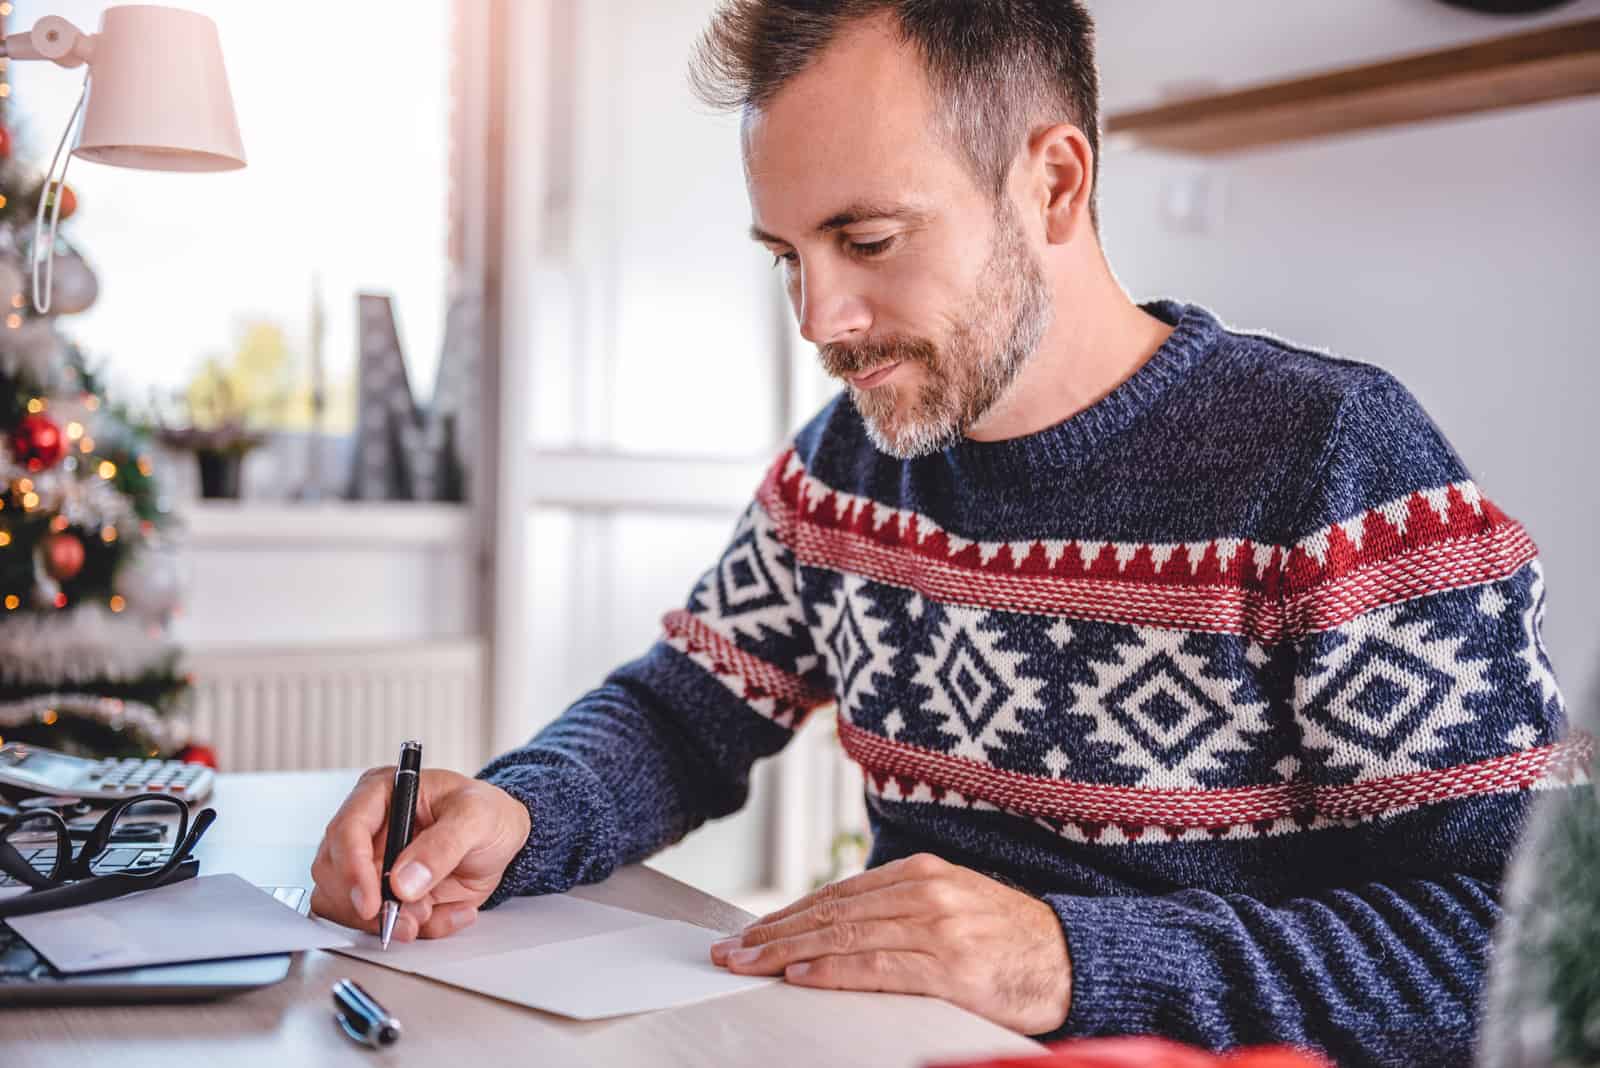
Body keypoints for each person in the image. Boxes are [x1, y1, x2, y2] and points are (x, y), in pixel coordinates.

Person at [308, 2, 1591, 1063]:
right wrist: (517, 813)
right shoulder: (848, 462)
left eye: (865, 238)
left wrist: (1069, 956)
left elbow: (1501, 944)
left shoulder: (1334, 463)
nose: (818, 317)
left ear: (1052, 181)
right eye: (786, 256)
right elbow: (685, 709)